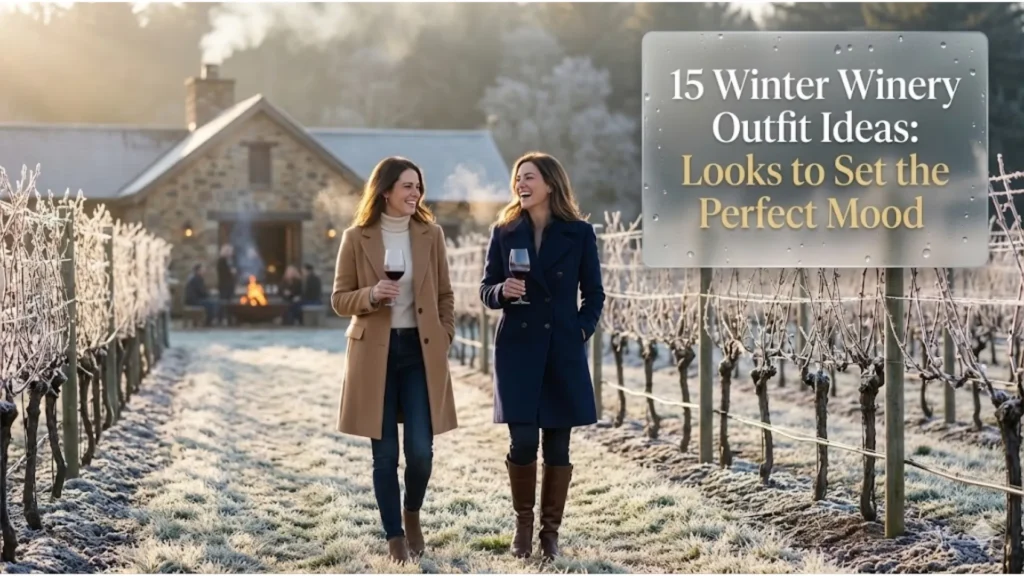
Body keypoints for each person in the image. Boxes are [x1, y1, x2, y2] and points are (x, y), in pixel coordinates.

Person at [330, 156, 457, 563]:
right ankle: (394, 536)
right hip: (374, 355)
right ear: (385, 190)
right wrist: (370, 295)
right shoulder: (356, 237)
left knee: (421, 451)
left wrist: (444, 336)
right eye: (407, 186)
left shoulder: (430, 234)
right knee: (384, 455)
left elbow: (445, 296)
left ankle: (412, 512)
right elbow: (338, 300)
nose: (415, 192)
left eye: (418, 186)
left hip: (420, 353)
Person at [479, 151, 605, 561]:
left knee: (558, 446)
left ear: (549, 183)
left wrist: (579, 331)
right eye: (518, 178)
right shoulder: (504, 231)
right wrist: (502, 293)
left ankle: (550, 535)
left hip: (561, 350)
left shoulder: (579, 233)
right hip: (517, 349)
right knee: (521, 441)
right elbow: (486, 289)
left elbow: (595, 295)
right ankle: (523, 526)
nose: (521, 183)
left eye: (529, 176)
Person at [216, 244, 236, 325]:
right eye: (230, 251)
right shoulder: (221, 261)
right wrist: (231, 272)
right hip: (224, 285)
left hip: (230, 285)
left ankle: (229, 319)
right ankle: (220, 319)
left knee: (230, 303)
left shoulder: (230, 260)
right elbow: (223, 273)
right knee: (223, 302)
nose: (231, 253)